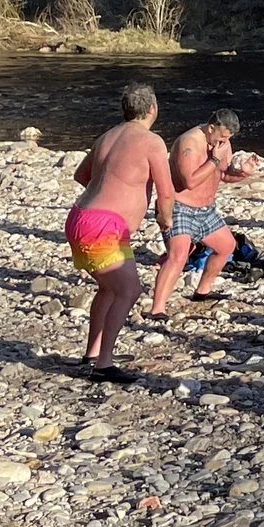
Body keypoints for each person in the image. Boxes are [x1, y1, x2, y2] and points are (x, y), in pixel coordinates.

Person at [65, 83, 166, 383]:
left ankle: (93, 354)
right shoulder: (151, 142)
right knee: (128, 290)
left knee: (109, 289)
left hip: (81, 218)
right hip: (103, 227)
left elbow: (80, 175)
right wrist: (166, 221)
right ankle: (104, 365)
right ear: (152, 109)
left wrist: (110, 190)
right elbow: (167, 191)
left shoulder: (107, 136)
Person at [147, 109, 249, 323]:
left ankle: (202, 291)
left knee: (227, 246)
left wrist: (243, 173)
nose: (224, 141)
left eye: (229, 138)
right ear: (211, 128)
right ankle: (157, 309)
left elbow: (222, 175)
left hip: (206, 209)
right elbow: (190, 181)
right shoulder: (190, 143)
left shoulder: (222, 145)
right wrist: (214, 159)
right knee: (178, 255)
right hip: (180, 206)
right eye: (222, 136)